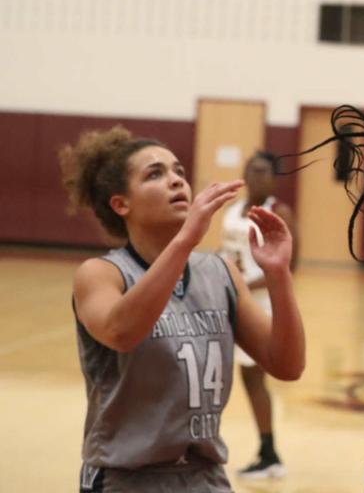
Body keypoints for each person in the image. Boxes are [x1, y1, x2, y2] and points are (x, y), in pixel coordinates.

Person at [61, 126, 305, 492]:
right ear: (120, 204)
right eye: (155, 174)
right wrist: (187, 237)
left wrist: (278, 274)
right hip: (125, 478)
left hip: (205, 476)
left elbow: (287, 364)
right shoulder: (101, 274)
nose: (176, 181)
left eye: (178, 171)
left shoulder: (220, 272)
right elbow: (122, 332)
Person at [220, 150, 296, 479]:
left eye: (264, 170)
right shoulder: (233, 210)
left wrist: (244, 285)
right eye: (252, 169)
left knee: (254, 378)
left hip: (261, 304)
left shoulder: (279, 212)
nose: (257, 176)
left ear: (274, 177)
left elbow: (290, 266)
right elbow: (226, 253)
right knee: (226, 375)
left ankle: (269, 454)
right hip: (231, 300)